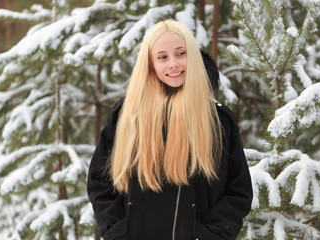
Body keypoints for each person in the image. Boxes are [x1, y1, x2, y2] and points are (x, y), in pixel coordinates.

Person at [87, 19, 253, 240]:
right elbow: (100, 180)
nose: (173, 63)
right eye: (162, 57)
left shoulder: (218, 120)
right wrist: (118, 232)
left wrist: (212, 235)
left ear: (193, 57)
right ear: (151, 63)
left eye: (181, 53)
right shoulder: (127, 114)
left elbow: (238, 190)